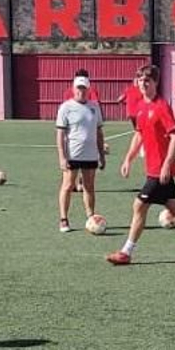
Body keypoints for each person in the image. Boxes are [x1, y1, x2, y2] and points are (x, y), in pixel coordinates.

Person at [107, 65, 175, 265]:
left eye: (147, 80)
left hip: (159, 170)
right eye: (140, 80)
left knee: (139, 205)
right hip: (153, 168)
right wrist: (128, 158)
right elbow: (139, 134)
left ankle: (126, 252)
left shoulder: (161, 106)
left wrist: (167, 164)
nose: (143, 84)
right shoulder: (140, 106)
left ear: (155, 82)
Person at [56, 75, 107, 233]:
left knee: (89, 186)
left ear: (88, 90)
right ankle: (64, 219)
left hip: (90, 155)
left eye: (84, 88)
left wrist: (101, 155)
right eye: (79, 88)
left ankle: (90, 217)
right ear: (73, 89)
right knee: (68, 185)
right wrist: (62, 156)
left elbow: (99, 132)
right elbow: (60, 134)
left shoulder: (94, 107)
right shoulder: (66, 107)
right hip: (73, 154)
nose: (81, 91)